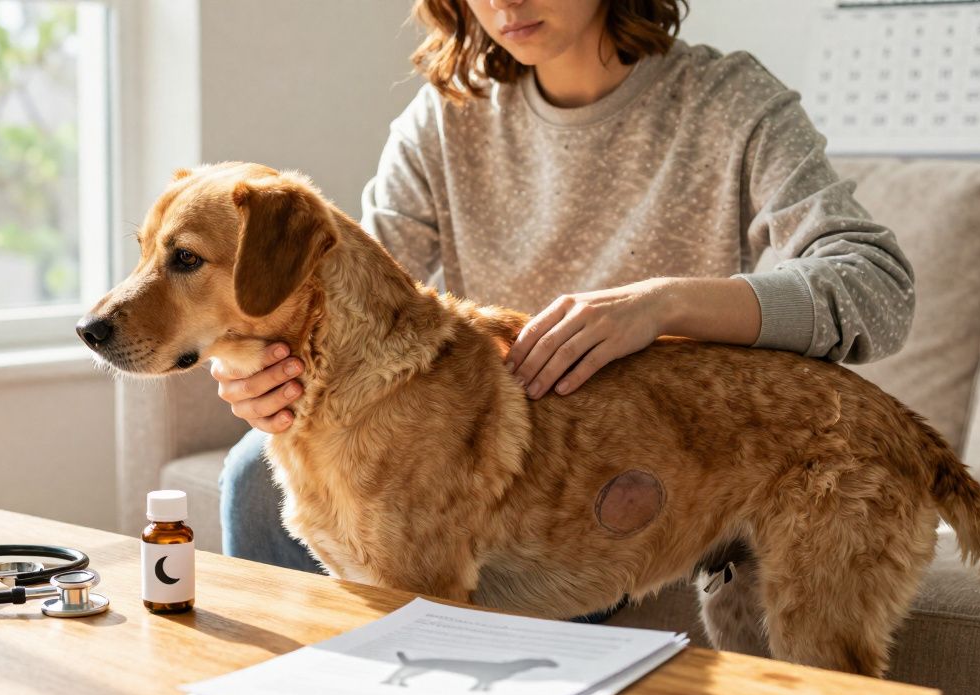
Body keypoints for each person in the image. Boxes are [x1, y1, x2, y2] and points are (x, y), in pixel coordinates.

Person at [213, 0, 915, 583]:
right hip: (486, 466)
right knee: (253, 471)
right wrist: (259, 375)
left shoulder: (728, 103)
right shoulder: (442, 120)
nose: (504, 4)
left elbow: (874, 287)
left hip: (637, 468)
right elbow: (344, 307)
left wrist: (660, 306)